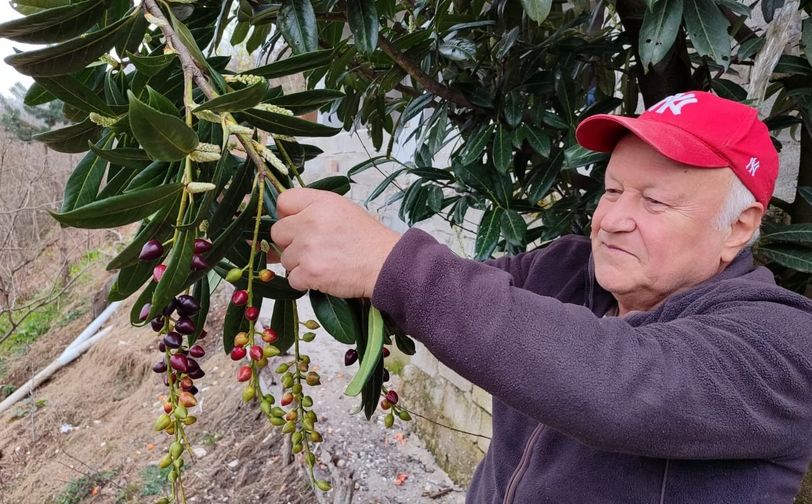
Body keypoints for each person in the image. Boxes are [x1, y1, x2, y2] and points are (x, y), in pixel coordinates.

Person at [269, 91, 812, 502]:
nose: (613, 220)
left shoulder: (781, 345)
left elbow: (619, 383)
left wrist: (390, 262)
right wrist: (275, 232)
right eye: (613, 190)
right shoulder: (567, 268)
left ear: (738, 227)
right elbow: (460, 298)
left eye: (655, 202)